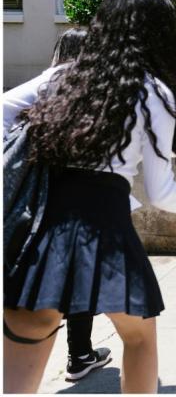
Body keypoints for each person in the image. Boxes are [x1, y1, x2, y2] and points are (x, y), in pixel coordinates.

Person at [3, 0, 176, 393]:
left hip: (39, 233)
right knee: (139, 338)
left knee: (20, 370)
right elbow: (161, 193)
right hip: (105, 231)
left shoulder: (60, 76)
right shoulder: (152, 91)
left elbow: (3, 110)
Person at [44, 27, 114, 382]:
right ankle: (80, 354)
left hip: (44, 205)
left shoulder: (42, 96)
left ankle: (74, 352)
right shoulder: (93, 102)